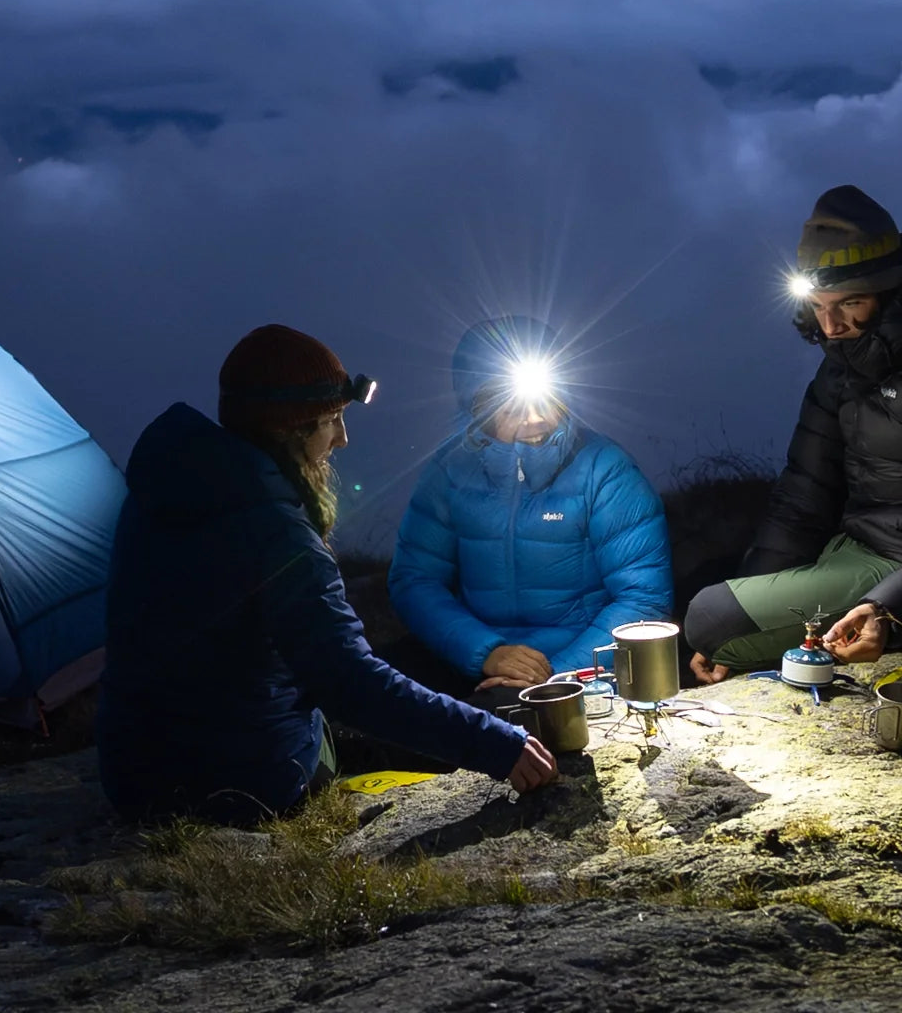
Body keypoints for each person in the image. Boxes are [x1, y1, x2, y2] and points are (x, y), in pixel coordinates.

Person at [95, 323, 556, 827]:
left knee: (371, 678)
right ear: (288, 429)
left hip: (133, 776)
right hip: (239, 786)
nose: (342, 438)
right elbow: (350, 684)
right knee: (415, 715)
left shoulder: (157, 496)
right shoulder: (279, 536)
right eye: (332, 419)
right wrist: (495, 744)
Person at [388, 316, 672, 705]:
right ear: (479, 409)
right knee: (379, 689)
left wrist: (554, 675)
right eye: (512, 408)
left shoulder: (605, 469)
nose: (535, 418)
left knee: (499, 715)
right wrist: (484, 651)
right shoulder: (449, 472)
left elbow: (643, 598)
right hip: (477, 656)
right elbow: (414, 579)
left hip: (574, 662)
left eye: (546, 400)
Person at [687, 185, 902, 683]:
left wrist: (888, 608)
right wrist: (740, 615)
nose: (831, 326)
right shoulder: (836, 374)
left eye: (850, 303)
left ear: (889, 293)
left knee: (710, 616)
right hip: (855, 551)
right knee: (712, 617)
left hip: (892, 571)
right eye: (819, 307)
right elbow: (804, 497)